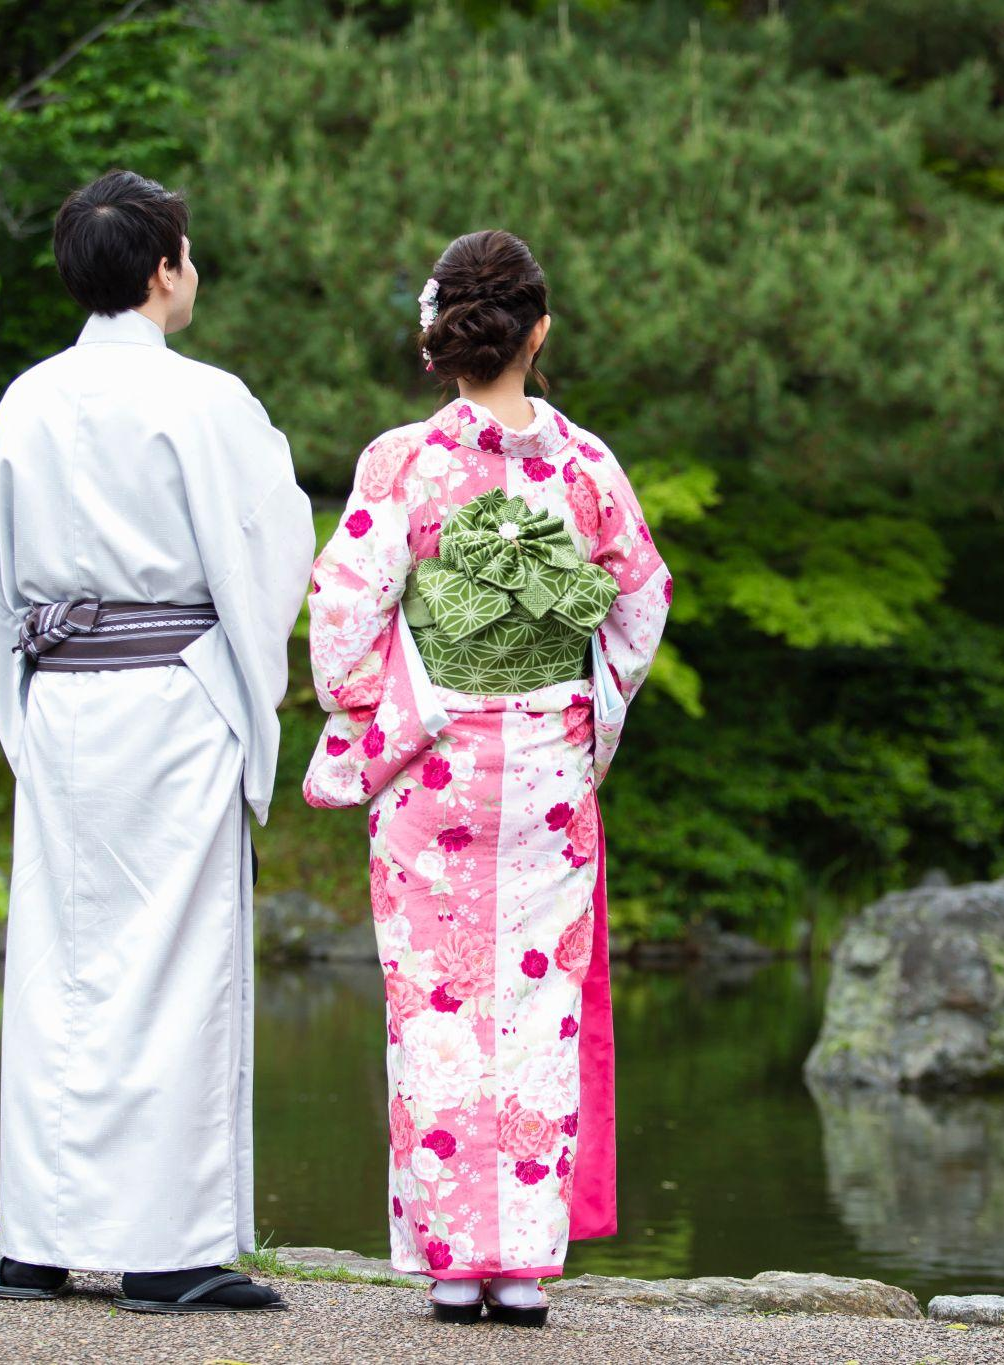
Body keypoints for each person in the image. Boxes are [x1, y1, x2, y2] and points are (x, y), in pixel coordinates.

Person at [303, 230, 671, 1327]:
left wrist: (403, 707)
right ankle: (522, 1269)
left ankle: (452, 1266)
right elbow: (640, 603)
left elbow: (341, 619)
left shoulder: (400, 464)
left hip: (434, 770)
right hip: (549, 771)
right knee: (536, 1005)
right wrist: (580, 719)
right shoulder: (585, 464)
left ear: (438, 338)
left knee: (436, 1006)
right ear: (538, 331)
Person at [0, 170, 314, 1313]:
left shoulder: (26, 398)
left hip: (63, 699)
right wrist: (246, 674)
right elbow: (266, 549)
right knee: (174, 964)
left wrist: (17, 707)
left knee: (61, 964)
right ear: (165, 268)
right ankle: (167, 1249)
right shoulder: (207, 402)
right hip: (171, 699)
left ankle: (39, 1236)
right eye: (189, 251)